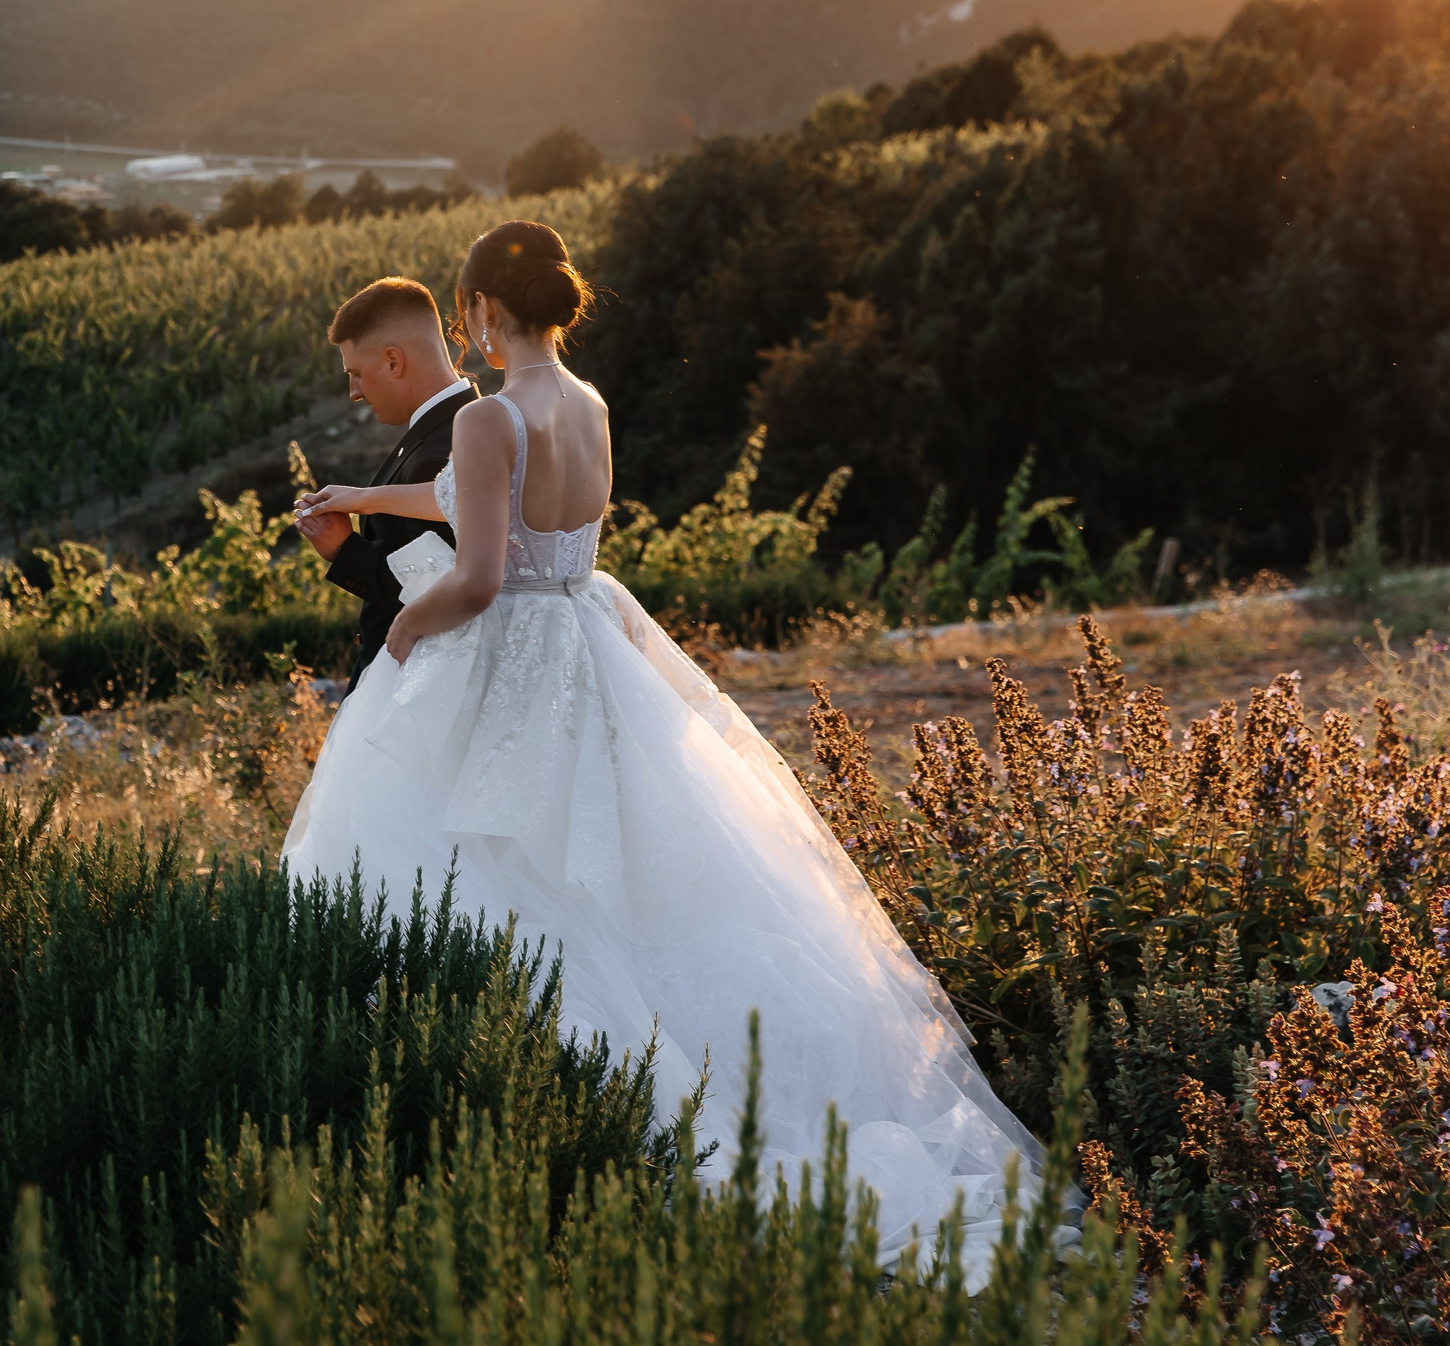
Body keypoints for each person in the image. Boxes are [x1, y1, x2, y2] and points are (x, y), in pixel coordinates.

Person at [286, 221, 1057, 1286]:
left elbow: (472, 572)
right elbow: (495, 503)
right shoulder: (585, 404)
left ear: (477, 314)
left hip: (506, 648)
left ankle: (565, 1113)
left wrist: (407, 638)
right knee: (626, 874)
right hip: (586, 637)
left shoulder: (489, 417)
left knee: (493, 864)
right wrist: (368, 498)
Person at [293, 277, 475, 685]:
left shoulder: (441, 451)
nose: (353, 392)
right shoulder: (445, 428)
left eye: (356, 372)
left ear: (394, 361)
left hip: (418, 688)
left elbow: (438, 594)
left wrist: (342, 549)